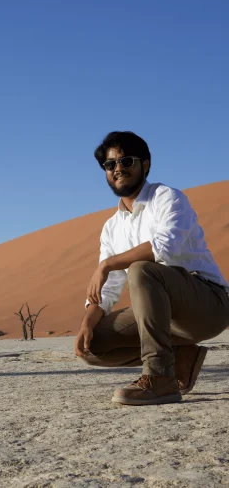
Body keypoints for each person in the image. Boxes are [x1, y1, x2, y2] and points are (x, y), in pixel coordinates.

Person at [75, 131, 229, 405]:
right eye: (110, 165)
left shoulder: (168, 198)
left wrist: (107, 264)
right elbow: (108, 289)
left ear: (145, 164)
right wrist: (88, 318)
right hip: (160, 316)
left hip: (207, 305)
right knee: (92, 343)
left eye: (126, 161)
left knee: (141, 269)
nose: (118, 169)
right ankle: (181, 358)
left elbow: (164, 249)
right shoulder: (112, 227)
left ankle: (159, 378)